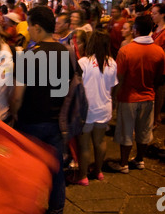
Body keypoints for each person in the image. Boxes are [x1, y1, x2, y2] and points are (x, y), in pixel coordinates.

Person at [11, 5, 74, 214]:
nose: (28, 30)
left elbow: (18, 95)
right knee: (56, 169)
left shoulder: (30, 56)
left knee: (28, 169)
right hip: (56, 120)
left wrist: (14, 113)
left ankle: (28, 211)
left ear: (37, 27)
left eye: (29, 26)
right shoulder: (66, 52)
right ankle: (56, 212)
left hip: (31, 120)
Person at [108, 16, 165, 173]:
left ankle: (124, 163)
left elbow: (118, 77)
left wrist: (114, 97)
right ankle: (140, 159)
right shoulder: (159, 51)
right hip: (148, 97)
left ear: (135, 30)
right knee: (144, 131)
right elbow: (159, 78)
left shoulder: (126, 50)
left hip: (128, 97)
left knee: (126, 131)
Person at [68, 31, 118, 185]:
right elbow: (113, 86)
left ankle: (82, 176)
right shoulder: (112, 63)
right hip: (104, 107)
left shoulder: (84, 62)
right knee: (100, 141)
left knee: (84, 145)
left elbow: (75, 85)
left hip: (86, 110)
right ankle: (98, 171)